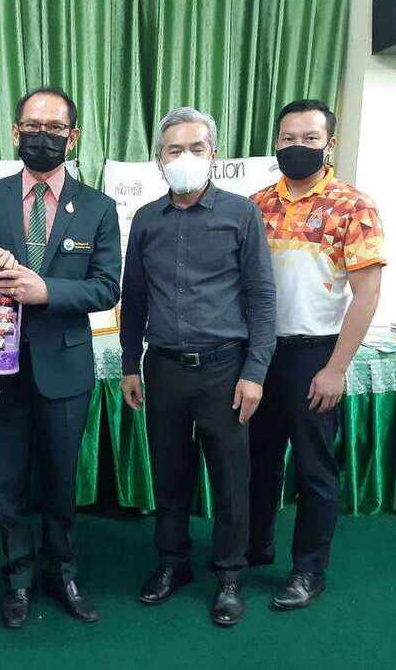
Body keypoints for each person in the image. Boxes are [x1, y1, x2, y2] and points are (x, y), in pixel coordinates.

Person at [0, 86, 121, 628]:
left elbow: (107, 287)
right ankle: (18, 577)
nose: (43, 137)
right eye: (33, 126)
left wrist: (45, 290)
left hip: (65, 367)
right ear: (15, 132)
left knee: (60, 480)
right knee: (8, 481)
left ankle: (64, 573)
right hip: (0, 364)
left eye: (55, 129)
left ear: (73, 138)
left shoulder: (98, 207)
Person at [120, 107, 276, 627]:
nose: (185, 157)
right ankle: (173, 562)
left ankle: (230, 574)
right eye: (174, 149)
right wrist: (130, 364)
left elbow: (261, 296)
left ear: (214, 155)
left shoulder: (241, 214)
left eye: (196, 148)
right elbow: (134, 297)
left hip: (225, 370)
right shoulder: (146, 220)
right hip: (163, 368)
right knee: (169, 473)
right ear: (158, 160)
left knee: (231, 478)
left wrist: (255, 372)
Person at [248, 99, 385, 610]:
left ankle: (309, 570)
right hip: (260, 353)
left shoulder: (353, 205)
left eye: (309, 138)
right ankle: (254, 547)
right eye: (288, 138)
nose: (297, 147)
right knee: (257, 458)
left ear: (330, 145)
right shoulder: (256, 205)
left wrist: (336, 368)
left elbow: (367, 294)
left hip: (315, 355)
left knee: (314, 469)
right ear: (276, 142)